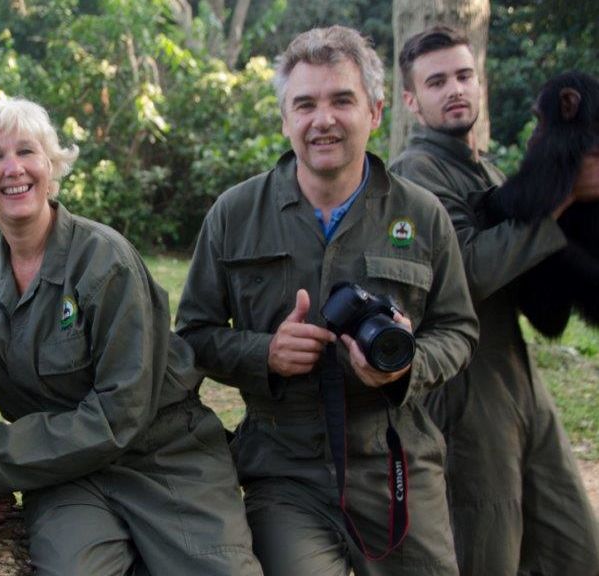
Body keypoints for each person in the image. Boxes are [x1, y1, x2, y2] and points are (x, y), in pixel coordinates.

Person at [0, 97, 262, 576]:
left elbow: (120, 415)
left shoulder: (105, 261)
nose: (14, 169)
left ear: (50, 166)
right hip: (62, 474)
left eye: (27, 152)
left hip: (163, 459)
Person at [176, 26, 479, 576]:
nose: (324, 120)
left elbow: (459, 330)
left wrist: (408, 363)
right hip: (284, 469)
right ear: (285, 118)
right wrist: (264, 353)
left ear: (376, 111)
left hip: (396, 460)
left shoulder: (422, 213)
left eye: (343, 100)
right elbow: (192, 334)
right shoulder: (235, 214)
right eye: (305, 104)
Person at [390, 26, 599, 576]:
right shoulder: (415, 175)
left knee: (575, 550)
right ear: (411, 101)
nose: (454, 89)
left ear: (479, 84)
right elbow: (468, 274)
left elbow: (537, 279)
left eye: (463, 76)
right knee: (487, 555)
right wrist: (565, 195)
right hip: (467, 392)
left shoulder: (487, 170)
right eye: (436, 82)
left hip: (521, 382)